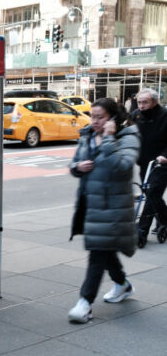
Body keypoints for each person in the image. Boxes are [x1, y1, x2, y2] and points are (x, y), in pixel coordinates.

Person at [67, 98, 140, 324]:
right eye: (92, 116)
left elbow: (123, 167)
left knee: (98, 252)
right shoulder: (87, 134)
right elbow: (75, 164)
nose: (95, 121)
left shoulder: (128, 137)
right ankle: (123, 285)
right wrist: (77, 167)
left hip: (114, 206)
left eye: (100, 117)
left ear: (113, 118)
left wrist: (108, 138)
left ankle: (84, 303)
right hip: (91, 204)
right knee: (104, 250)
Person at [129, 88, 167, 247]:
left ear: (154, 102)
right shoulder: (135, 115)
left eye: (145, 102)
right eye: (139, 102)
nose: (142, 105)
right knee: (152, 195)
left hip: (162, 163)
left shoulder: (165, 115)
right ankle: (164, 221)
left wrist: (165, 155)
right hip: (145, 162)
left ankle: (141, 231)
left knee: (151, 193)